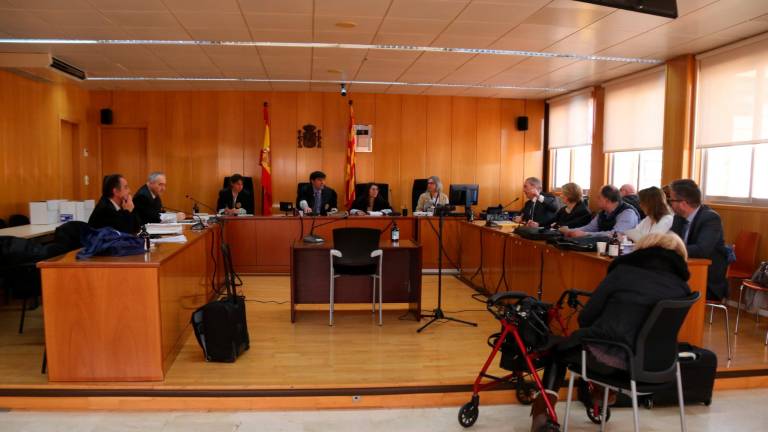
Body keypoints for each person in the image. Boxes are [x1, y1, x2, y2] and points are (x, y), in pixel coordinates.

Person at [530, 233, 692, 431]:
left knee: (559, 351)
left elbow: (586, 317)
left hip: (614, 364)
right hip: (660, 366)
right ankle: (600, 394)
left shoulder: (623, 272)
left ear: (644, 248)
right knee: (599, 344)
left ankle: (542, 415)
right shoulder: (683, 288)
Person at [668, 179, 729, 300]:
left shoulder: (710, 218)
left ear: (683, 203)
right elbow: (670, 241)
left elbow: (702, 250)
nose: (669, 204)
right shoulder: (678, 218)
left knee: (663, 286)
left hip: (706, 277)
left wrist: (671, 247)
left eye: (671, 200)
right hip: (683, 270)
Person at [562, 185, 639, 238]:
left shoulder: (627, 213)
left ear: (607, 201)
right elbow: (590, 228)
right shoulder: (603, 212)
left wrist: (585, 234)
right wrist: (569, 231)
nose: (596, 200)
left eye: (599, 198)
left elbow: (616, 234)